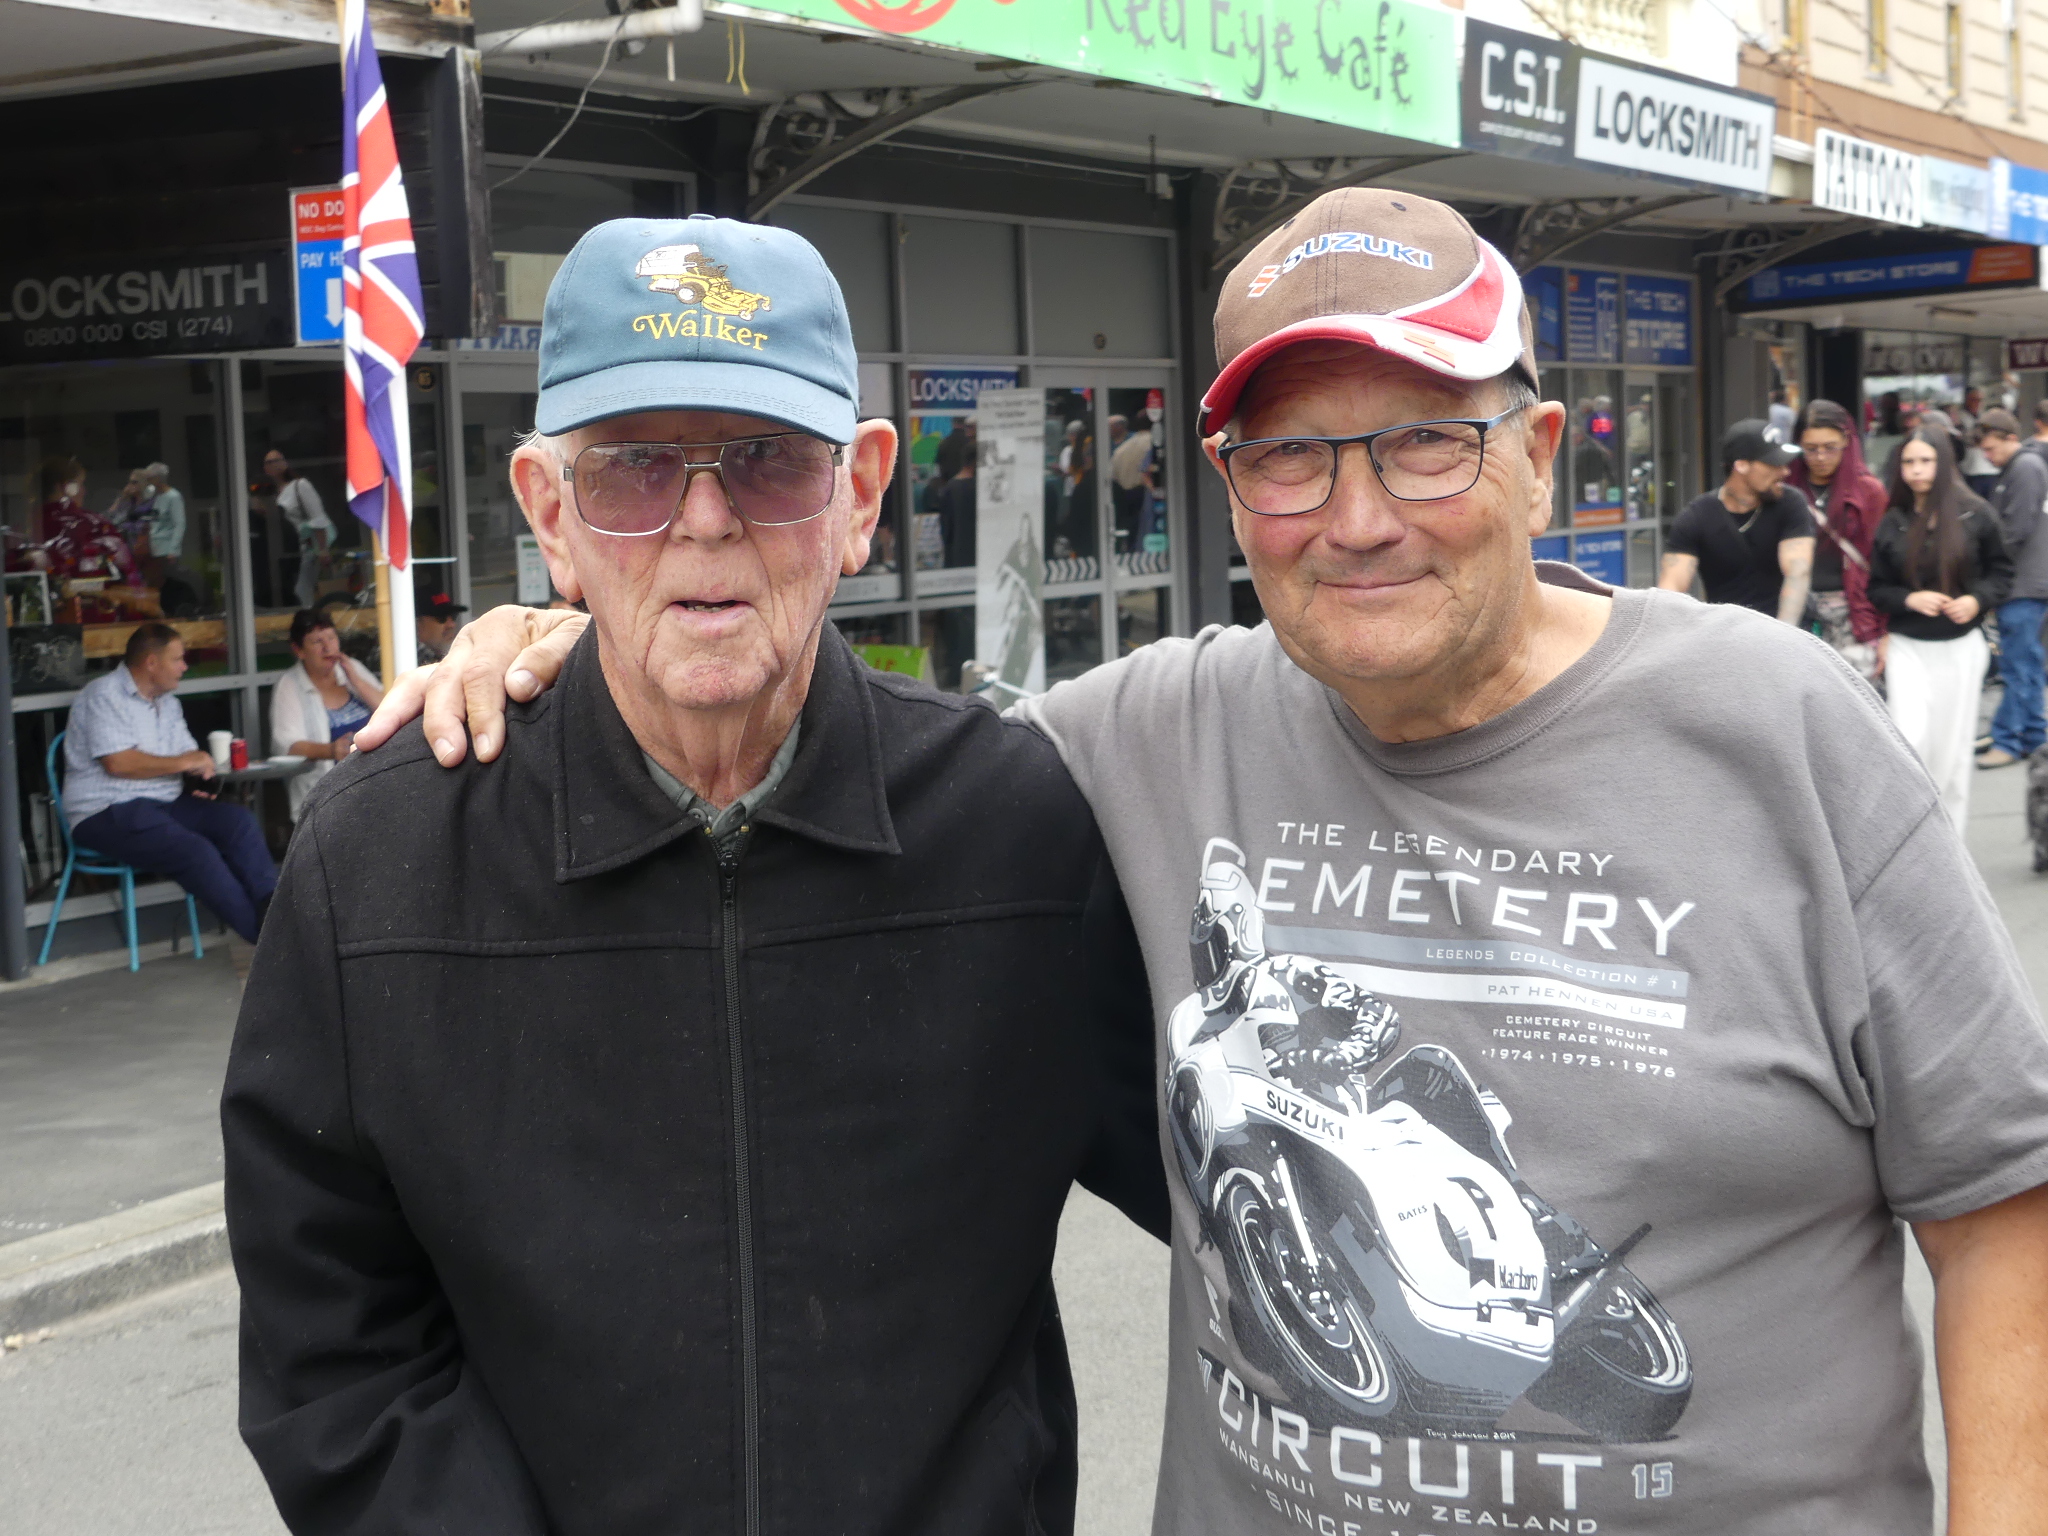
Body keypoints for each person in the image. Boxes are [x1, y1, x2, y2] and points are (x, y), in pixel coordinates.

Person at [386, 187, 2048, 1535]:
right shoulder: (1146, 733)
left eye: (1425, 439)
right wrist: (577, 639)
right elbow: (833, 742)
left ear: (1539, 450)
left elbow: (2000, 1207)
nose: (1357, 518)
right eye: (1290, 455)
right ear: (1230, 486)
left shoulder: (1780, 732)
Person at [222, 214, 1166, 1536]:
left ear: (860, 497)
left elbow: (1244, 1191)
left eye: (769, 461)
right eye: (633, 471)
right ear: (550, 515)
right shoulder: (381, 866)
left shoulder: (1021, 832)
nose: (704, 522)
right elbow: (337, 1355)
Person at [63, 623, 277, 942]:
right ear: (151, 662)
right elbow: (119, 763)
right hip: (104, 811)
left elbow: (186, 754)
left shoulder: (168, 703)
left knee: (238, 822)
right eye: (177, 659)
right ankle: (270, 944)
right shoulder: (103, 695)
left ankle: (277, 915)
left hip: (164, 803)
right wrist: (184, 763)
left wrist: (198, 770)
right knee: (194, 850)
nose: (184, 666)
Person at [1867, 427, 2014, 829]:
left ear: (1944, 463)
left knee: (1953, 752)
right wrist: (1909, 599)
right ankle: (1908, 835)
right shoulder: (1893, 521)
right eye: (1909, 462)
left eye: (1926, 461)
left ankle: (1950, 845)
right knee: (1909, 740)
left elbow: (2002, 572)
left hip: (1961, 647)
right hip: (1908, 647)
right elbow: (1876, 588)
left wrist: (1976, 600)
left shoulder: (1975, 514)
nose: (1917, 470)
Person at [1658, 419, 1815, 622]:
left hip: (1785, 628)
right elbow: (1671, 589)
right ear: (1741, 465)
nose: (1785, 471)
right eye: (1774, 464)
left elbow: (1797, 573)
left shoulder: (1790, 503)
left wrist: (1785, 632)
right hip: (1726, 632)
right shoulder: (1697, 517)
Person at [1786, 398, 1888, 683]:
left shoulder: (1869, 491)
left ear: (1847, 441)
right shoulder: (1785, 488)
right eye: (1810, 449)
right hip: (1797, 609)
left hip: (1853, 613)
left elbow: (1885, 563)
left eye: (1830, 447)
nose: (1820, 457)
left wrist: (1886, 630)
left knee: (1854, 695)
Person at [268, 608, 385, 823]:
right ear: (299, 650)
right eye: (317, 642)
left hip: (378, 780)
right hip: (329, 798)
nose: (327, 647)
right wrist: (330, 750)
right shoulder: (290, 685)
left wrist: (356, 681)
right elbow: (287, 747)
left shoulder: (352, 669)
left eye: (331, 638)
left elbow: (389, 710)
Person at [262, 449, 333, 608]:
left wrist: (322, 549)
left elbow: (317, 517)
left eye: (276, 461)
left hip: (304, 549)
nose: (272, 465)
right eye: (268, 463)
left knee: (301, 593)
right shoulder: (269, 494)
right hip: (281, 553)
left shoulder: (300, 486)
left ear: (285, 464)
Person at [414, 592, 467, 662]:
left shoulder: (457, 659)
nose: (451, 625)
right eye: (441, 617)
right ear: (418, 624)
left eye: (453, 616)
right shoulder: (410, 661)